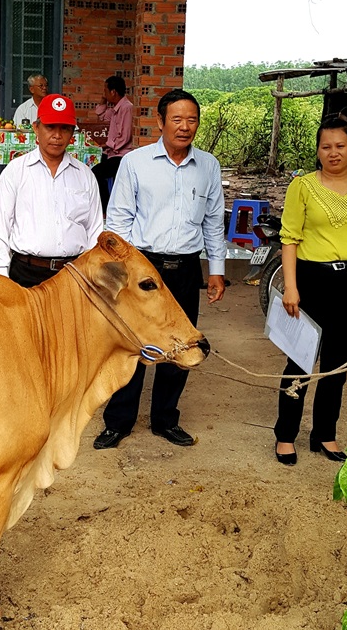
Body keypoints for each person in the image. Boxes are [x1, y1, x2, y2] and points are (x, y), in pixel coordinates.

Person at [93, 88, 226, 450]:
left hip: (185, 268)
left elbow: (213, 222)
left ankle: (166, 419)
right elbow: (119, 219)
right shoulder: (135, 163)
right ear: (160, 122)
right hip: (143, 268)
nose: (185, 127)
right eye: (177, 119)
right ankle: (118, 421)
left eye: (192, 120)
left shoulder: (208, 167)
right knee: (131, 343)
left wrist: (216, 270)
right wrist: (117, 271)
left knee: (179, 343)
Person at [274, 118, 347, 466]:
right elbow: (289, 239)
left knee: (337, 364)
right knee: (299, 360)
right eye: (326, 146)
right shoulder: (302, 187)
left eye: (340, 146)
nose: (333, 153)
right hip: (310, 280)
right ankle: (285, 435)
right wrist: (290, 287)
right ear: (318, 150)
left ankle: (325, 433)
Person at [0, 94, 103, 287]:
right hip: (26, 273)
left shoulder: (85, 175)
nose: (57, 135)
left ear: (72, 133)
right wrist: (1, 275)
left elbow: (94, 230)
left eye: (64, 128)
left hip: (73, 274)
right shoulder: (16, 171)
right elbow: (0, 226)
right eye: (50, 127)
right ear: (36, 128)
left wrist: (91, 274)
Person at [92, 75, 134, 213]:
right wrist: (103, 100)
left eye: (105, 91)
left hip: (122, 155)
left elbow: (125, 136)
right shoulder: (116, 108)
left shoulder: (127, 108)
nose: (104, 93)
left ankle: (106, 208)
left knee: (97, 172)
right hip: (112, 153)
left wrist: (108, 145)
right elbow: (101, 115)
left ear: (113, 92)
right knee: (91, 166)